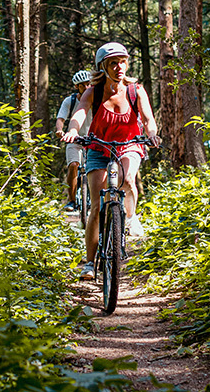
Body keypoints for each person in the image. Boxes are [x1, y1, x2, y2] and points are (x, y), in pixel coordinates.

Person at [60, 43, 160, 280]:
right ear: (103, 67)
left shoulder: (136, 91)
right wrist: (72, 130)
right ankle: (89, 262)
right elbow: (79, 114)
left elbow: (148, 118)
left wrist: (152, 133)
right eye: (113, 63)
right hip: (98, 146)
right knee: (96, 205)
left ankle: (130, 218)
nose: (119, 67)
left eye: (123, 61)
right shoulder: (93, 91)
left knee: (127, 179)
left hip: (130, 144)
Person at [54, 69, 94, 211]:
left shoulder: (97, 100)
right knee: (73, 165)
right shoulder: (70, 101)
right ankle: (71, 200)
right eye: (83, 85)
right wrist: (60, 130)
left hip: (94, 140)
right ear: (77, 87)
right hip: (75, 139)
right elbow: (61, 118)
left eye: (89, 84)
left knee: (98, 169)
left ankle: (97, 200)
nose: (87, 87)